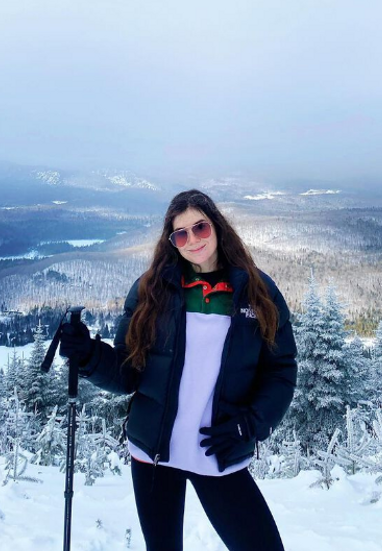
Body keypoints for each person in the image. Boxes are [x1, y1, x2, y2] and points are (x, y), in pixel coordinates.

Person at [58, 189, 296, 551]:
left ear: (217, 226)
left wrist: (250, 423)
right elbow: (127, 372)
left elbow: (280, 369)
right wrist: (88, 354)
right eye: (180, 234)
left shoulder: (257, 292)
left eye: (199, 228)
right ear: (171, 242)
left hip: (218, 448)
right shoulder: (151, 291)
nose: (192, 240)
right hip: (153, 452)